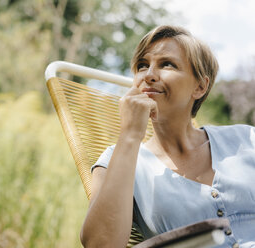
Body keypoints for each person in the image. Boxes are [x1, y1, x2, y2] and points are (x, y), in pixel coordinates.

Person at [80, 25, 255, 248]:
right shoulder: (114, 161)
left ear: (200, 86)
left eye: (167, 64)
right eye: (142, 66)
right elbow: (100, 245)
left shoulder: (247, 138)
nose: (150, 75)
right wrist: (130, 135)